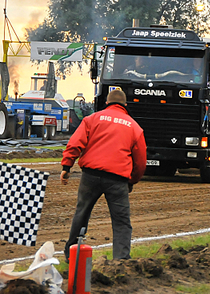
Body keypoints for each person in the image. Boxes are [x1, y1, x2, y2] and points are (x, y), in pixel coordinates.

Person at [61, 89, 147, 261]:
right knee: (121, 222)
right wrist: (132, 180)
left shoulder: (92, 119)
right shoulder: (134, 127)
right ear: (125, 106)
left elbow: (75, 143)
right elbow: (140, 161)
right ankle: (121, 260)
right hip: (117, 179)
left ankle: (71, 255)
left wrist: (67, 165)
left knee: (82, 213)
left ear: (107, 103)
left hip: (90, 175)